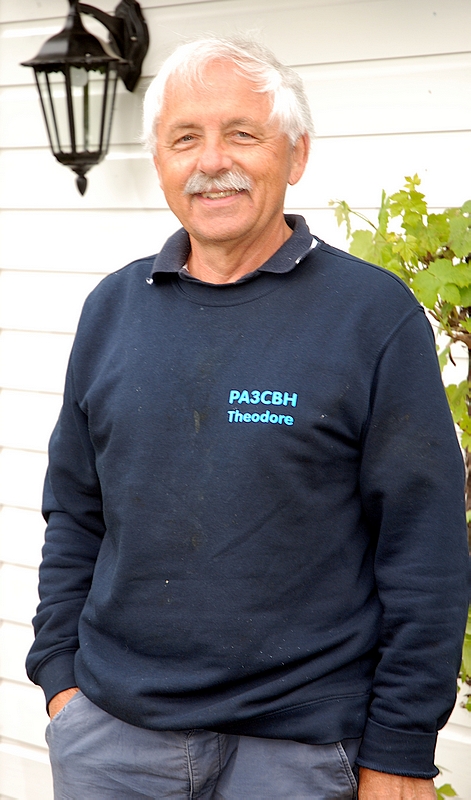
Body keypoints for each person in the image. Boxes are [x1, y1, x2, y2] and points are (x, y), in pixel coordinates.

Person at [26, 37, 469, 799]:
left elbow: (422, 546)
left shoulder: (370, 316)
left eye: (241, 133)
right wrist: (61, 678)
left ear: (296, 155)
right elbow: (74, 509)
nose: (212, 161)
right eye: (184, 138)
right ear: (160, 162)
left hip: (297, 752)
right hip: (112, 740)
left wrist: (399, 750)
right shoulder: (112, 309)